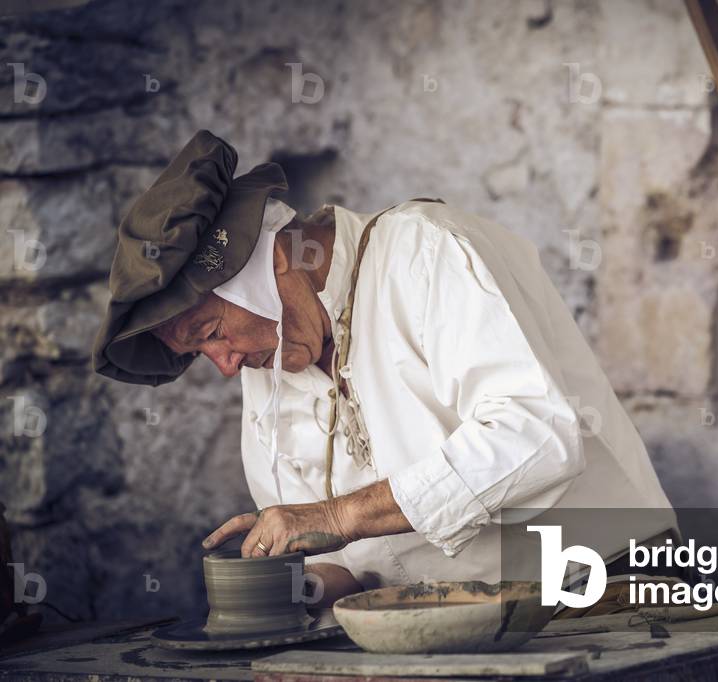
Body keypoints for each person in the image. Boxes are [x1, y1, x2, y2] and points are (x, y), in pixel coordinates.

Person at [93, 130, 678, 607]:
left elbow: (536, 435)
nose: (223, 365)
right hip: (448, 626)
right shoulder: (268, 359)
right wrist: (295, 588)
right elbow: (345, 563)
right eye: (199, 354)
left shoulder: (423, 254)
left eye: (212, 333)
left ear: (270, 265)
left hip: (601, 589)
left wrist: (339, 515)